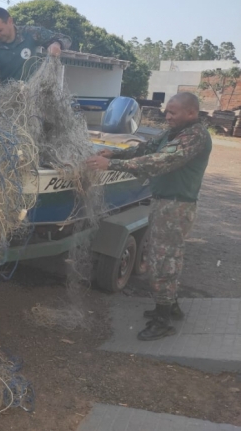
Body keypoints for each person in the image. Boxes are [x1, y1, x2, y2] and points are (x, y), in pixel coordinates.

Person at [85, 92, 212, 341]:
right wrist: (115, 154)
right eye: (167, 111)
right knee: (163, 257)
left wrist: (112, 166)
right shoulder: (173, 133)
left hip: (176, 207)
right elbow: (147, 148)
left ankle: (163, 320)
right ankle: (169, 306)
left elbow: (160, 161)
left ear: (191, 113)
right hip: (164, 203)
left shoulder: (195, 136)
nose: (168, 116)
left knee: (164, 261)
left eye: (173, 112)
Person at [0, 7, 72, 87]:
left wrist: (57, 44)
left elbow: (65, 38)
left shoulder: (29, 33)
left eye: (0, 30)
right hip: (7, 102)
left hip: (33, 97)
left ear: (10, 21)